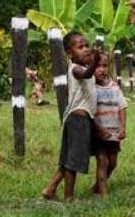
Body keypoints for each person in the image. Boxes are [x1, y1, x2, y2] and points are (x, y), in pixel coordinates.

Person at [41, 31, 100, 202]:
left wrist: (94, 61)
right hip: (79, 120)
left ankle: (50, 189)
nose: (85, 49)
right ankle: (69, 197)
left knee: (67, 159)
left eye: (86, 46)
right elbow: (87, 74)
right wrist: (95, 61)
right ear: (69, 53)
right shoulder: (75, 69)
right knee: (73, 161)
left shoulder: (80, 67)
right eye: (80, 47)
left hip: (74, 119)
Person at [91, 52, 128, 196]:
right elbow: (89, 112)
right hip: (99, 134)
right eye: (97, 66)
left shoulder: (114, 87)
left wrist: (123, 127)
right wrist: (98, 129)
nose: (101, 69)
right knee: (102, 161)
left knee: (112, 163)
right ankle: (104, 196)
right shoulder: (91, 87)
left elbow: (122, 107)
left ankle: (96, 188)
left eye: (105, 66)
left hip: (113, 133)